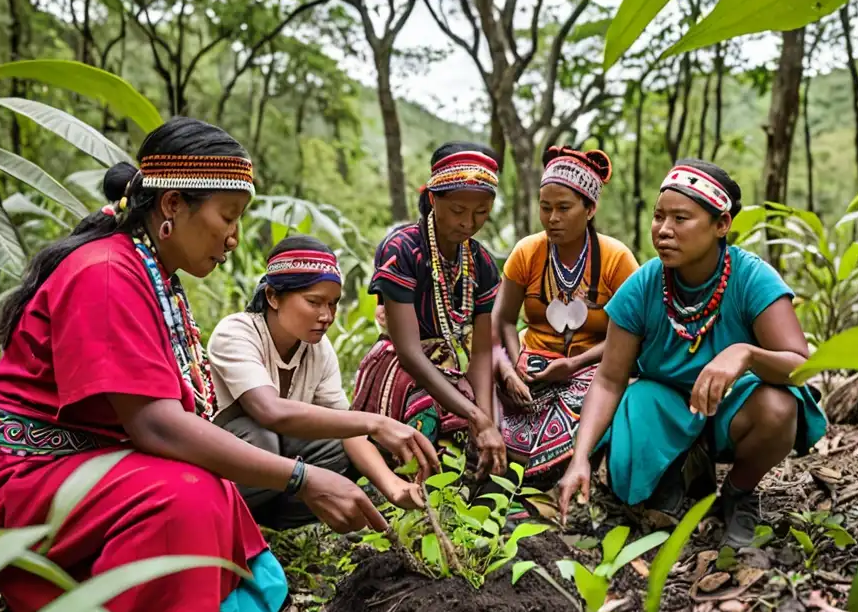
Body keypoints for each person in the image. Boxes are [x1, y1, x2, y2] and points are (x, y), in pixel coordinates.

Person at [0, 117, 386, 612]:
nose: (233, 238)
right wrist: (302, 479)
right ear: (170, 206)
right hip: (17, 474)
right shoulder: (105, 272)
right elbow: (157, 424)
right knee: (184, 491)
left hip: (80, 462)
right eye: (225, 217)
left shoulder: (151, 274)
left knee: (210, 484)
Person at [557, 159, 827, 548]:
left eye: (681, 218)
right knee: (637, 407)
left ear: (721, 225)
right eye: (658, 217)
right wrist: (579, 457)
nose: (664, 230)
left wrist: (746, 354)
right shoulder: (643, 286)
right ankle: (680, 474)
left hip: (730, 412)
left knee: (779, 407)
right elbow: (610, 379)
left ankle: (736, 494)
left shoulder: (752, 278)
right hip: (663, 413)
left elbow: (802, 367)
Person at [207, 235, 440, 528]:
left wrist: (393, 486)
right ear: (273, 297)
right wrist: (376, 423)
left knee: (341, 448)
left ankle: (261, 523)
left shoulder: (317, 349)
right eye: (314, 302)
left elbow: (346, 429)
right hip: (221, 465)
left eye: (333, 304)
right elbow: (270, 412)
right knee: (261, 438)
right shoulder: (237, 333)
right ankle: (217, 521)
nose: (326, 316)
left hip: (274, 478)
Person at [351, 142, 507, 478]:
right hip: (403, 364)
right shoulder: (402, 249)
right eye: (458, 210)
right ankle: (408, 493)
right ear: (434, 199)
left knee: (493, 421)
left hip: (451, 365)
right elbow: (408, 351)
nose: (468, 223)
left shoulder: (481, 263)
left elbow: (481, 352)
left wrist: (483, 414)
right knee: (427, 413)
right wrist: (476, 416)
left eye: (481, 213)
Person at [493, 146, 638, 482]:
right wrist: (516, 364)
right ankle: (508, 467)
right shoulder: (528, 252)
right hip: (532, 363)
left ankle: (540, 478)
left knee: (584, 403)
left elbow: (634, 335)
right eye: (545, 208)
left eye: (564, 208)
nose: (552, 219)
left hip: (591, 368)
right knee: (484, 391)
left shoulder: (616, 259)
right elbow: (502, 318)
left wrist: (573, 364)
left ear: (590, 209)